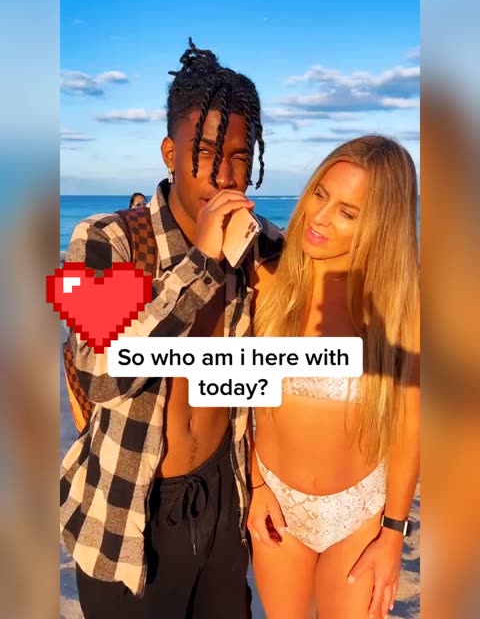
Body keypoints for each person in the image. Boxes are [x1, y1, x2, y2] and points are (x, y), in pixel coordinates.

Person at [60, 38, 283, 619]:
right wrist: (201, 264)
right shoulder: (106, 238)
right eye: (204, 151)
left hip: (223, 503)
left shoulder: (256, 245)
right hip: (129, 512)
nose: (223, 174)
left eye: (239, 156)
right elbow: (100, 372)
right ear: (169, 151)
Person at [248, 135, 420, 618]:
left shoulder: (401, 308)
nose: (319, 217)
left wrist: (393, 533)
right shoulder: (265, 285)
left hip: (359, 511)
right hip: (277, 503)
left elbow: (409, 426)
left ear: (380, 226)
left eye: (347, 212)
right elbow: (234, 397)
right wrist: (256, 486)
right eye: (319, 195)